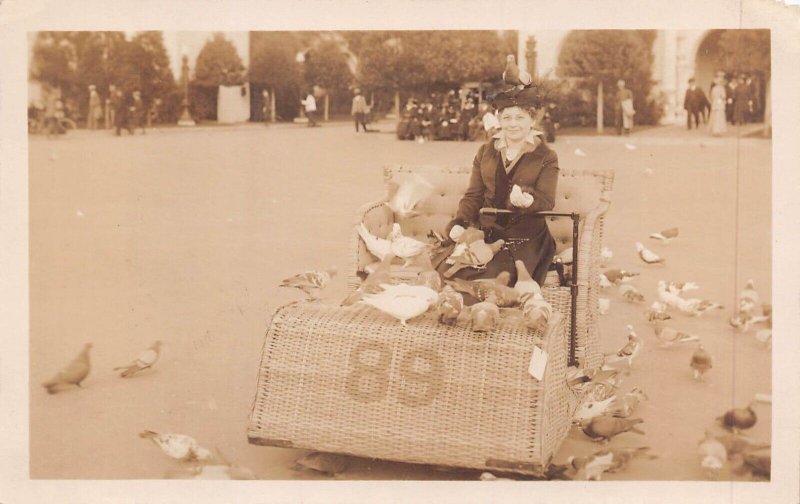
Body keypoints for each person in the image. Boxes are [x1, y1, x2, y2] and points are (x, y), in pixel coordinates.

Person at [438, 85, 560, 295]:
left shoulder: (546, 156)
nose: (513, 124)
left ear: (532, 121)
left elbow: (547, 201)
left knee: (493, 278)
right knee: (450, 270)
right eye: (507, 118)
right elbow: (473, 195)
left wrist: (528, 201)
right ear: (499, 120)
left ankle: (489, 320)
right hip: (488, 231)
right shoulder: (486, 151)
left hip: (526, 236)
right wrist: (459, 223)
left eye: (520, 118)